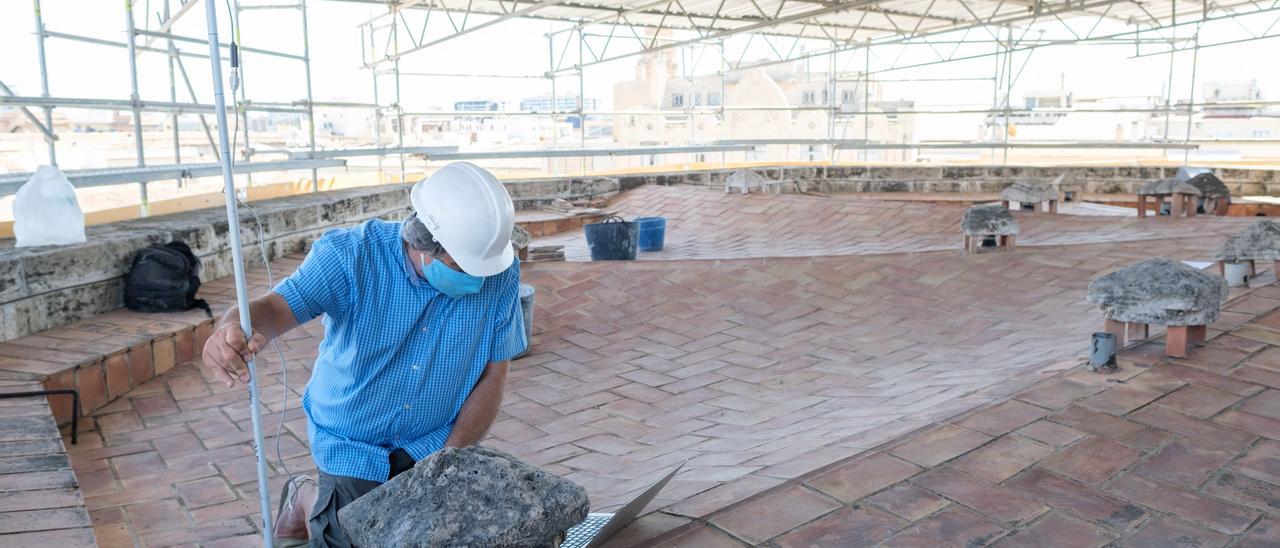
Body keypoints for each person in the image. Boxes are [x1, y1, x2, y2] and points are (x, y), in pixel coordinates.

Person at [201, 162, 527, 547]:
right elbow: (274, 310)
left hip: (433, 439)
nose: (477, 282)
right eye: (462, 268)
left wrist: (448, 461)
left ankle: (314, 500)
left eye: (482, 270)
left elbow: (494, 374)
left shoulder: (500, 272)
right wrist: (232, 328)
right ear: (423, 245)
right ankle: (310, 499)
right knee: (348, 539)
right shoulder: (350, 257)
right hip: (353, 443)